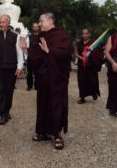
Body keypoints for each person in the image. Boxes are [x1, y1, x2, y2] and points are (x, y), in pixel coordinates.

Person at [28, 13, 73, 150]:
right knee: (42, 104)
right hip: (43, 77)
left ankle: (57, 135)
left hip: (57, 78)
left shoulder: (62, 35)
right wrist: (26, 49)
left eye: (41, 21)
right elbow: (36, 57)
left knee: (56, 105)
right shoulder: (39, 37)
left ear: (50, 21)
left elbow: (66, 54)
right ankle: (42, 132)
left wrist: (50, 51)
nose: (39, 24)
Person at [0, 14, 24, 125]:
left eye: (3, 22)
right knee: (1, 90)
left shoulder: (15, 35)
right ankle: (2, 114)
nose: (1, 24)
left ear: (8, 22)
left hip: (11, 67)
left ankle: (7, 110)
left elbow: (19, 52)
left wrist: (19, 67)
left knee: (9, 91)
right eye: (0, 22)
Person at [75, 29, 102, 104]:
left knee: (93, 81)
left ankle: (93, 93)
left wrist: (92, 50)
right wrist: (81, 58)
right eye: (83, 34)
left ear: (89, 34)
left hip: (91, 65)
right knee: (81, 81)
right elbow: (76, 53)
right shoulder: (79, 43)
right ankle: (82, 97)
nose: (85, 35)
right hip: (82, 66)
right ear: (81, 35)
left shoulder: (94, 43)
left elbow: (99, 52)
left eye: (86, 33)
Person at [26, 23, 39, 90]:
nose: (35, 28)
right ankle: (29, 85)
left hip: (39, 58)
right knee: (29, 73)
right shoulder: (29, 37)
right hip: (30, 58)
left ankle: (37, 85)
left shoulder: (41, 37)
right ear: (32, 28)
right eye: (34, 27)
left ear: (38, 28)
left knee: (38, 73)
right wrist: (27, 57)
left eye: (36, 27)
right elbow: (27, 48)